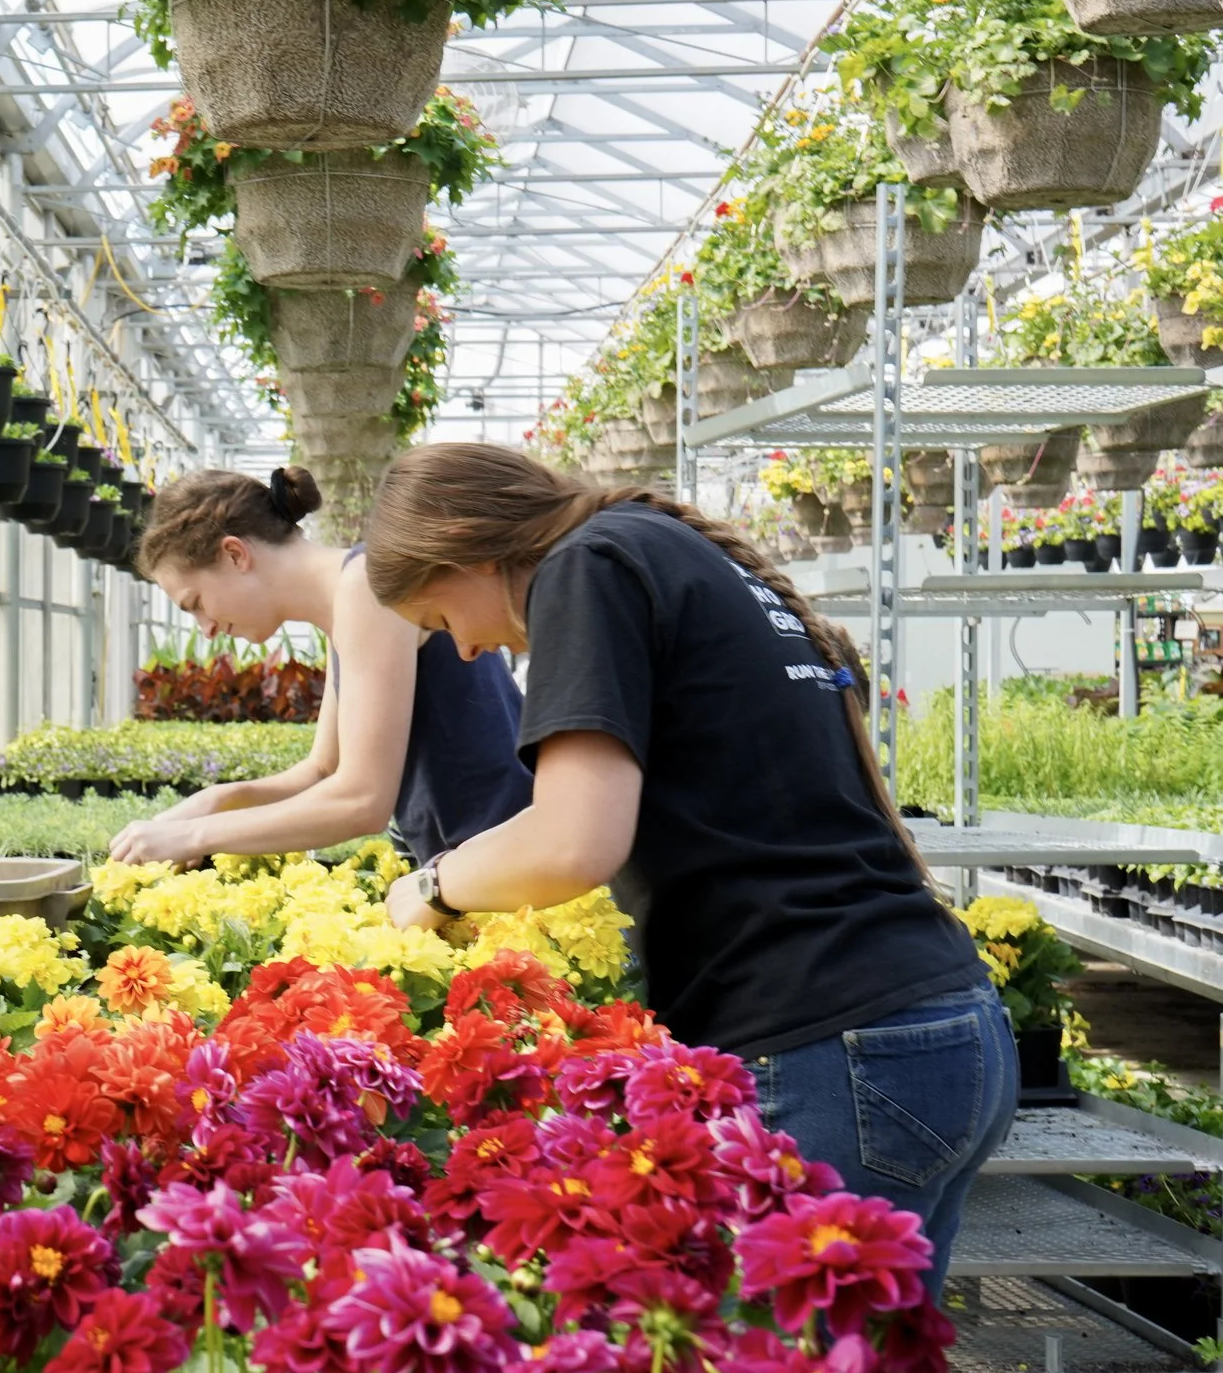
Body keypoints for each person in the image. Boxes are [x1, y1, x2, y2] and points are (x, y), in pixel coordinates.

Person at [363, 443, 1015, 1300]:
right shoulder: (660, 548)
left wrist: (430, 887)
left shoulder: (583, 569)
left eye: (440, 619)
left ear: (465, 549)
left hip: (826, 1047)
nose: (467, 649)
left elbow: (573, 838)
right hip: (935, 1022)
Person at [107, 466, 534, 867]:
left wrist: (196, 836)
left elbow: (362, 802)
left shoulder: (366, 588)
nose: (207, 629)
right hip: (481, 865)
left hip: (513, 869)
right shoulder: (347, 599)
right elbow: (322, 771)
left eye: (196, 603)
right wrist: (213, 801)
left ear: (235, 554)